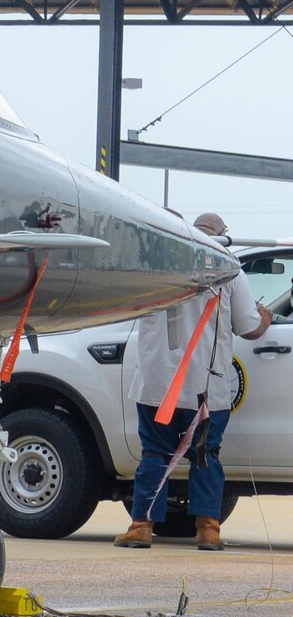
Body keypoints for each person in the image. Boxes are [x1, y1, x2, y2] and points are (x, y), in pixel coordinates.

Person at [116, 211, 271, 552]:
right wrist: (267, 319)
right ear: (220, 235)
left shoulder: (152, 263)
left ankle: (141, 526)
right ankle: (208, 531)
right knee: (206, 455)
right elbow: (248, 326)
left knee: (155, 452)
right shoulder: (228, 265)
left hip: (157, 386)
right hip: (207, 388)